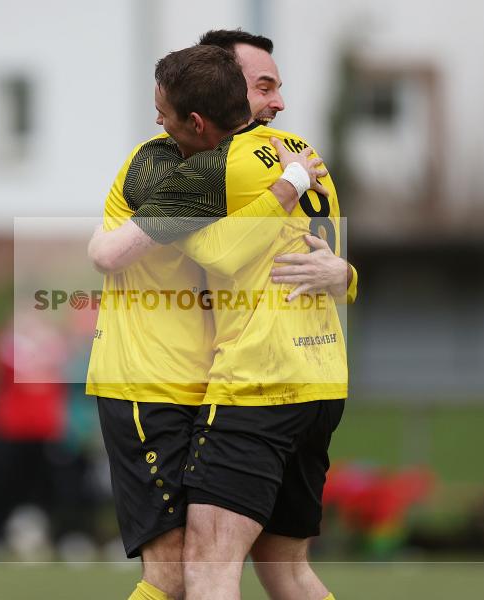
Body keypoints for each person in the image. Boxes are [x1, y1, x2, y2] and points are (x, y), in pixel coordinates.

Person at [90, 42, 355, 600]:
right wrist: (297, 200)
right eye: (264, 86)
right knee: (277, 571)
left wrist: (339, 270)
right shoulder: (299, 155)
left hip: (253, 379)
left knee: (204, 569)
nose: (278, 102)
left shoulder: (217, 165)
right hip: (297, 377)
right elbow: (325, 254)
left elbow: (220, 252)